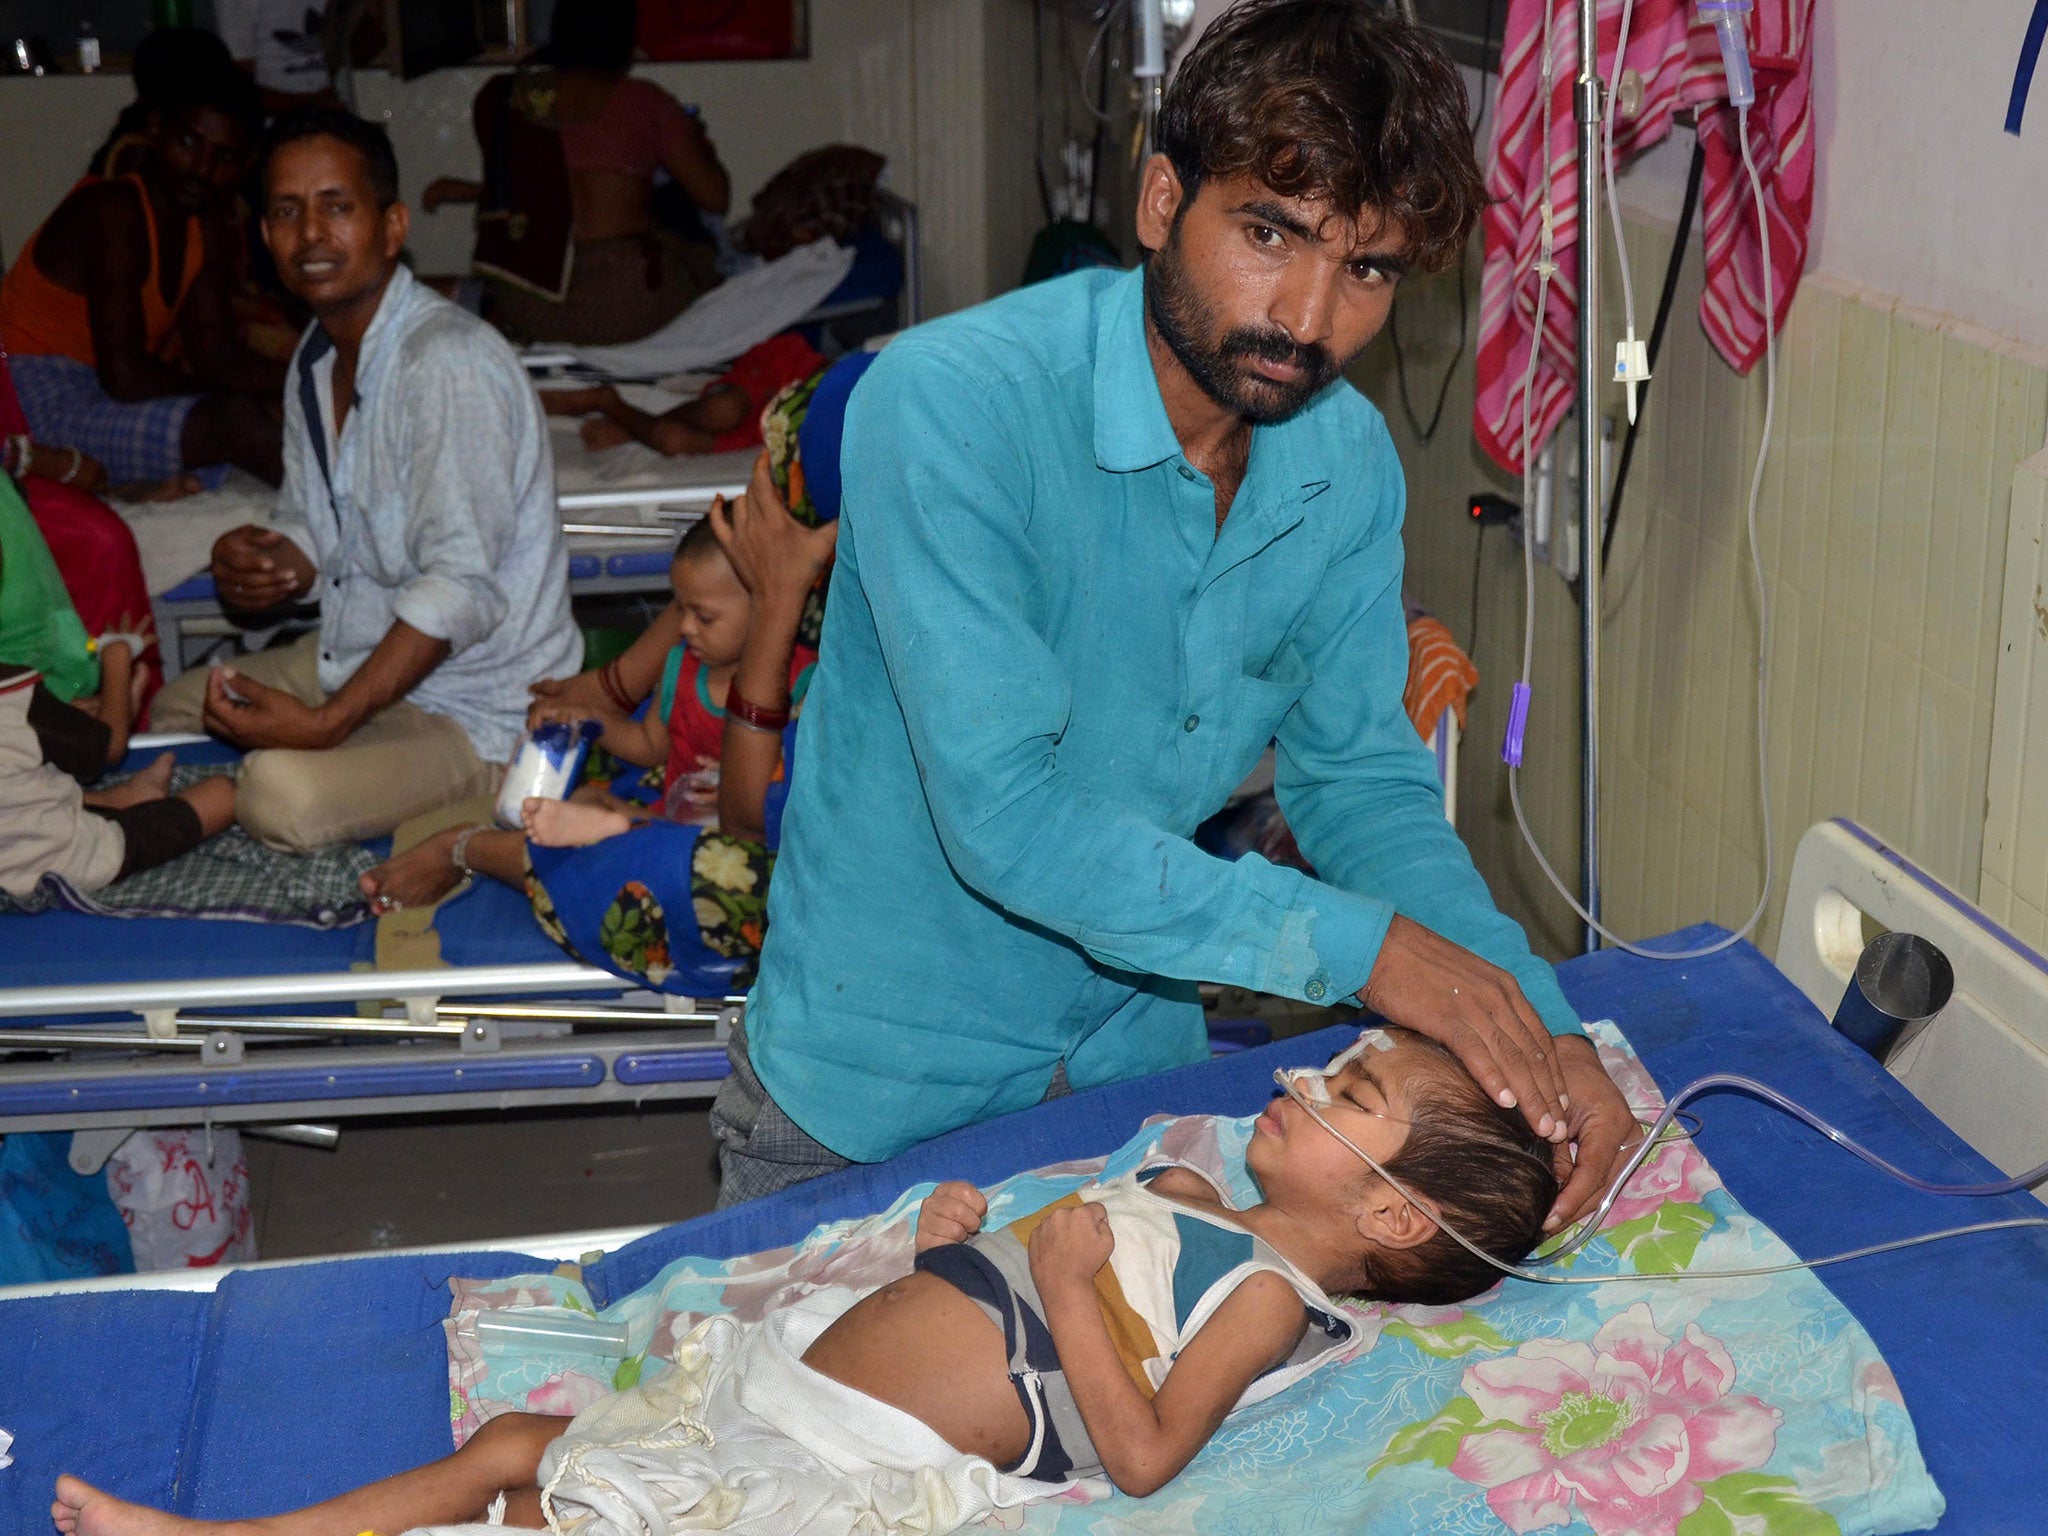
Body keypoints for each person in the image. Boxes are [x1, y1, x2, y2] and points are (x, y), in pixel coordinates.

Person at [712, 0, 1642, 1227]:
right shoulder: (949, 410)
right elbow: (1007, 819)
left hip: (1126, 1098)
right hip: (870, 1100)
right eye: (1270, 233)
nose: (1307, 320)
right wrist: (1371, 954)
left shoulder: (1344, 464)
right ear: (1160, 202)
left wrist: (1539, 1027)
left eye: (1362, 268)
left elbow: (1360, 786)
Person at [48, 1025, 1556, 1535]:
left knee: (533, 1488)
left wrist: (1066, 1272)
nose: (1300, 1074)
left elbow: (1148, 1452)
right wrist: (943, 1245)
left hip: (844, 1469)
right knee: (518, 1463)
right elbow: (1039, 1267)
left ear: (1401, 1222)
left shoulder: (1275, 1298)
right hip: (785, 1389)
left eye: (1351, 1095)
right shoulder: (1189, 1191)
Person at [149, 110, 580, 854]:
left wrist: (328, 722)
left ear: (391, 227)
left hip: (480, 711)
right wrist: (277, 557)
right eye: (287, 211)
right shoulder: (317, 358)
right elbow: (319, 524)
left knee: (280, 795)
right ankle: (349, 754)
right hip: (363, 649)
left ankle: (477, 788)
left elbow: (461, 588)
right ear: (266, 237)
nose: (311, 233)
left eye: (336, 206)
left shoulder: (445, 363)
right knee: (179, 708)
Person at [355, 448, 834, 981]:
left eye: (704, 616)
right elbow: (653, 742)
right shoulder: (685, 667)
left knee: (670, 861)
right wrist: (595, 719)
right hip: (681, 806)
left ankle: (524, 843)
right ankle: (594, 826)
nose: (685, 628)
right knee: (582, 792)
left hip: (745, 840)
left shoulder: (810, 684)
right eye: (683, 612)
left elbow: (759, 822)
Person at [0, 64, 287, 487]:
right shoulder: (114, 209)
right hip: (31, 402)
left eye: (223, 157)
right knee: (237, 424)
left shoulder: (201, 221)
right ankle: (348, 523)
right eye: (188, 143)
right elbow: (126, 375)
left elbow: (216, 354)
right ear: (156, 130)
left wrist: (317, 375)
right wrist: (243, 401)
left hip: (99, 395)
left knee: (273, 410)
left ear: (246, 166)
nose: (201, 169)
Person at [421, 0, 731, 348]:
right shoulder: (645, 102)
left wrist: (467, 191)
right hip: (628, 302)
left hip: (532, 303)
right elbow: (715, 197)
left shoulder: (513, 97)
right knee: (701, 256)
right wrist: (698, 146)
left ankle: (481, 304)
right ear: (624, 40)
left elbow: (543, 190)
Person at [541, 331, 824, 458]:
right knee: (724, 410)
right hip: (789, 373)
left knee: (673, 442)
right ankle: (618, 419)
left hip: (782, 425)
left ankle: (608, 404)